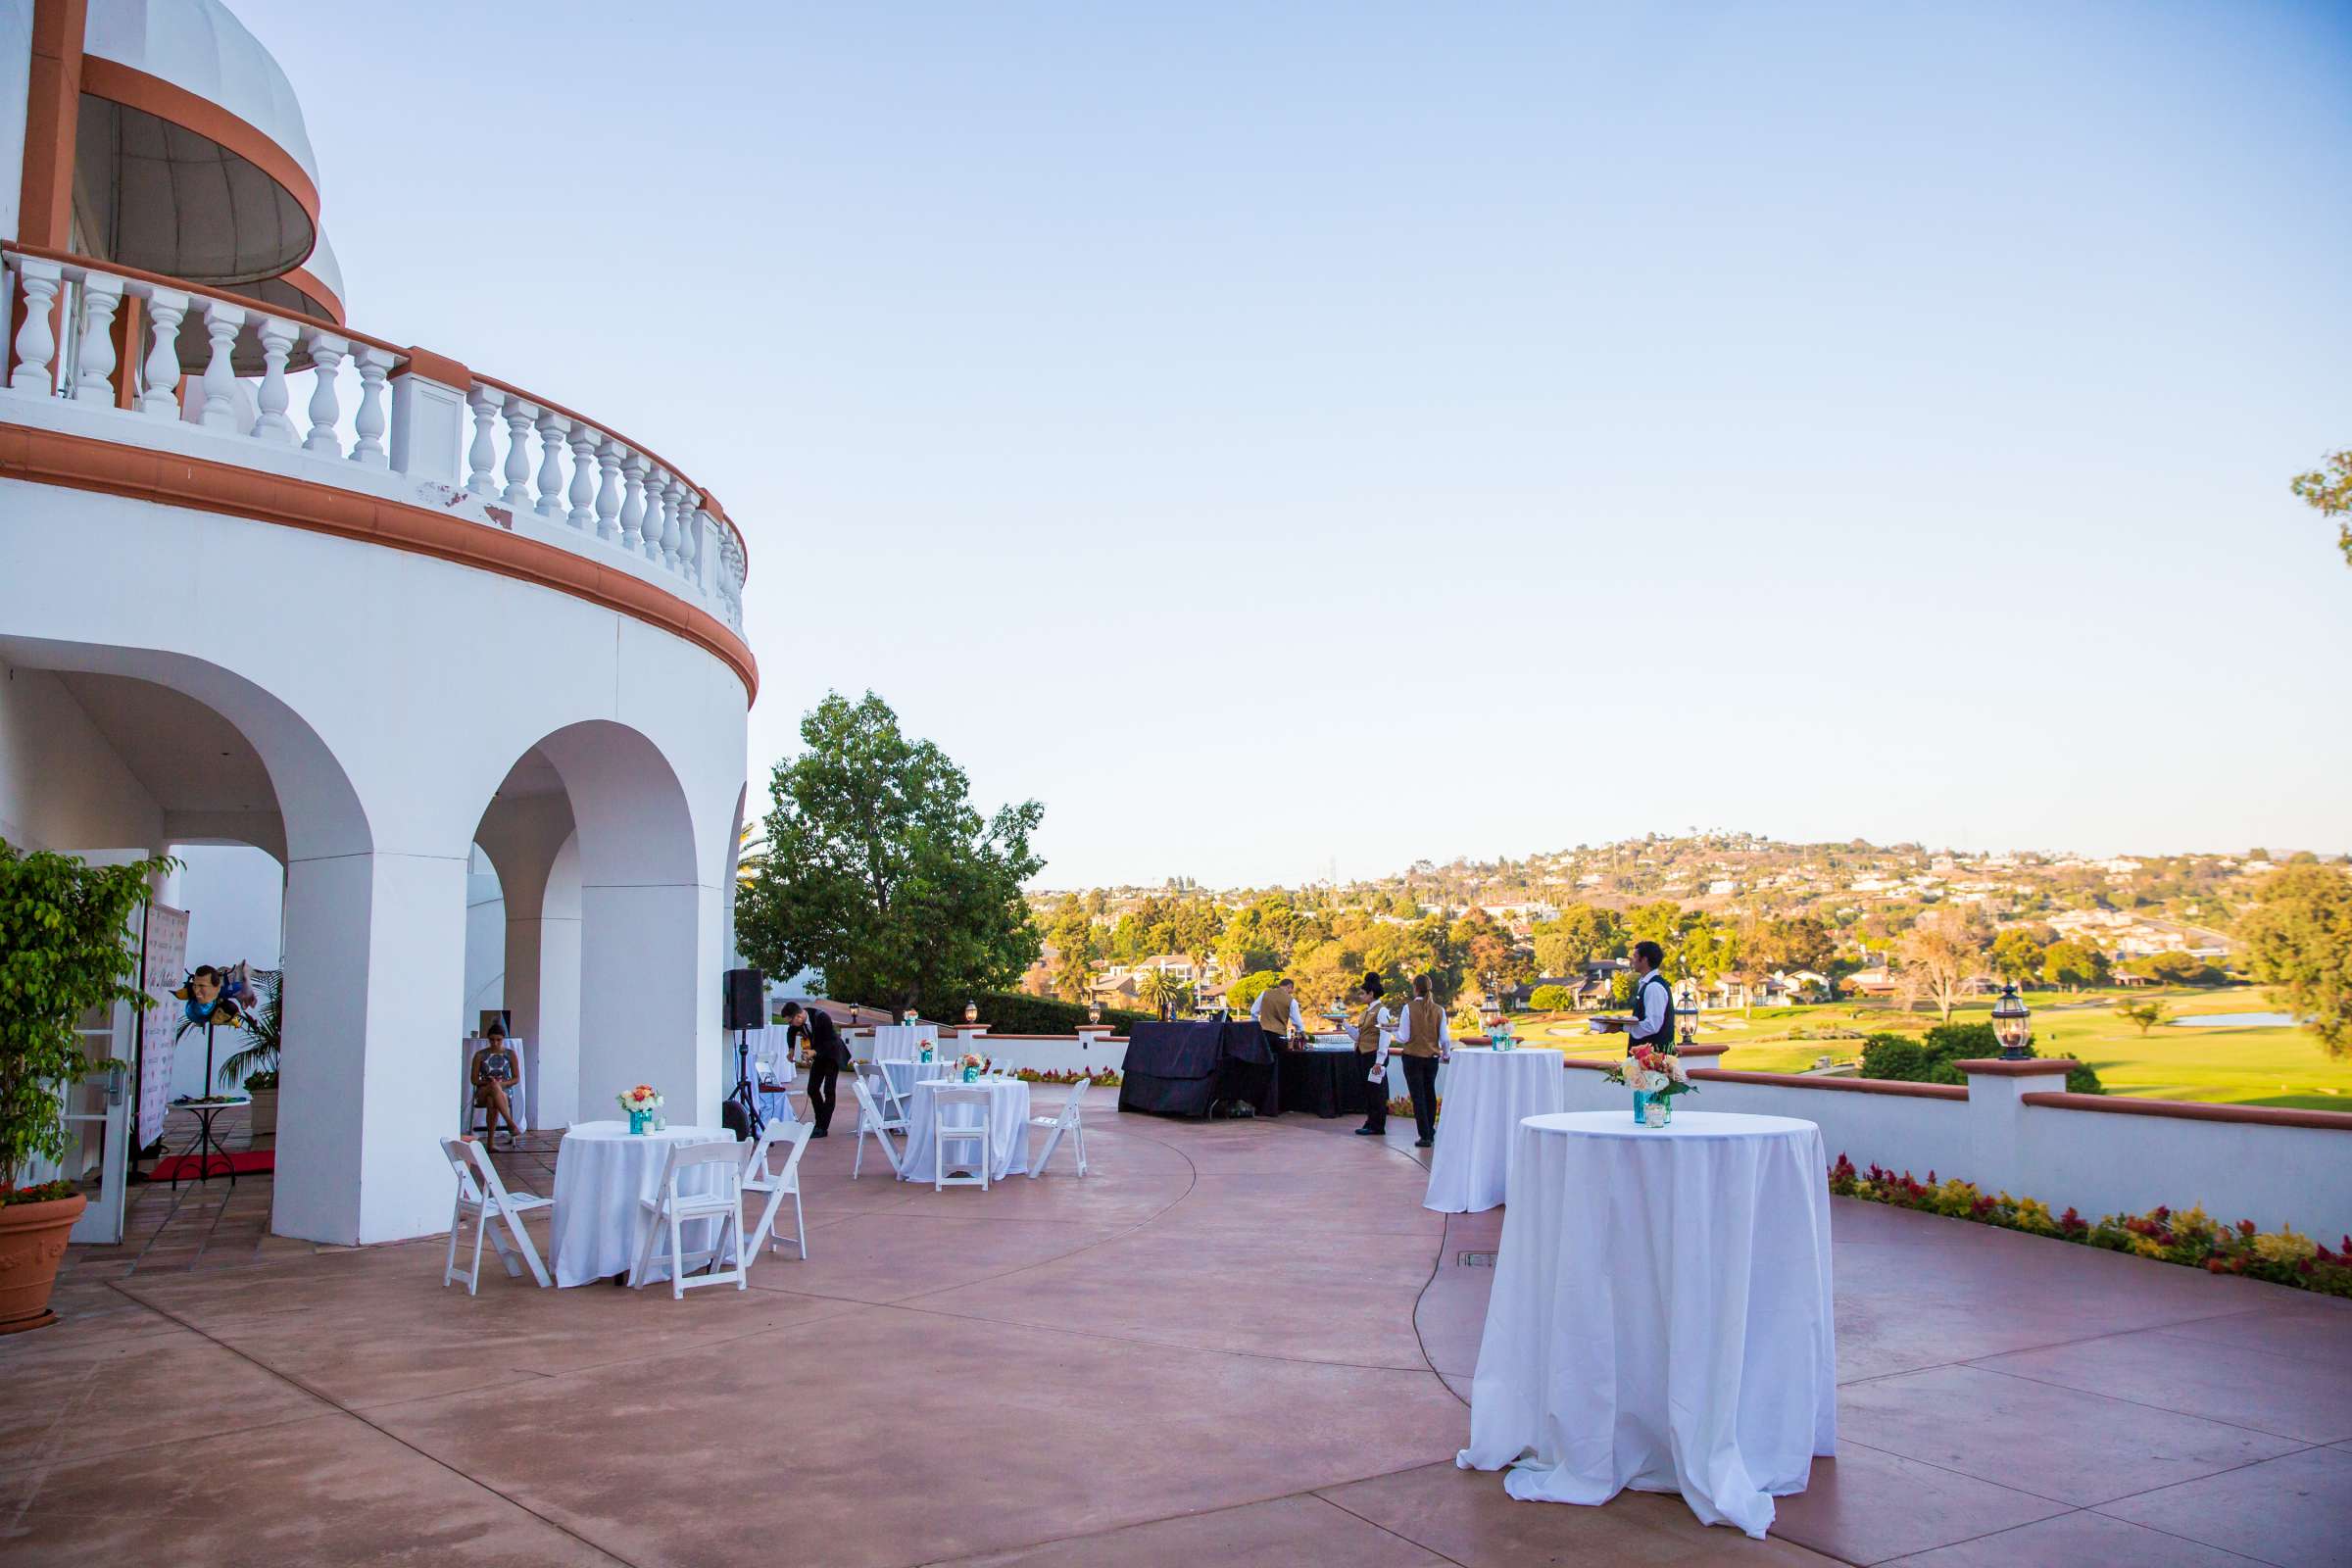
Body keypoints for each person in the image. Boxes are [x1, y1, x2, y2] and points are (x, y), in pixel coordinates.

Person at [1387, 973, 1450, 1148]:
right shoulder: (1439, 1010)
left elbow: (1404, 1037)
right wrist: (1446, 1054)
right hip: (1431, 1058)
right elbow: (1444, 1039)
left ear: (1415, 988)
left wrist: (1392, 1031)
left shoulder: (1409, 1008)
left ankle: (1425, 1135)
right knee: (1429, 1094)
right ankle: (1430, 1129)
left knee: (1418, 1096)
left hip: (1412, 1057)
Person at [1594, 939, 1677, 1056]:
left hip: (1652, 1062)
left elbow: (1652, 1025)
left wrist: (1622, 1027)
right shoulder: (1647, 984)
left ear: (1644, 959)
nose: (1631, 960)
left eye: (1634, 956)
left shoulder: (1653, 987)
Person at [780, 1002, 849, 1136]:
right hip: (819, 1055)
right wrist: (791, 1050)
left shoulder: (822, 1017)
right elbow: (791, 1032)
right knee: (812, 1089)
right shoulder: (796, 1023)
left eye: (791, 1021)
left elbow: (830, 1042)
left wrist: (814, 1052)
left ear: (799, 1016)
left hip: (832, 1054)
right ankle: (820, 1122)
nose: (791, 1025)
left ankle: (822, 1128)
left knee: (829, 1091)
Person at [1351, 972, 1396, 1137]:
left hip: (1373, 1056)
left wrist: (1379, 1060)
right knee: (1368, 1091)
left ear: (1371, 994)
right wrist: (1344, 1025)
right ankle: (1370, 1121)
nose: (1361, 996)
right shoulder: (1365, 1012)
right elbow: (1360, 1035)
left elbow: (1385, 1036)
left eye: (1363, 993)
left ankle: (1377, 1125)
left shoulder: (1382, 1010)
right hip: (1363, 1053)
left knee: (1377, 1091)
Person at [469, 1021, 521, 1146]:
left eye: (498, 1040)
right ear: (488, 1039)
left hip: (502, 1091)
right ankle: (510, 1123)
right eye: (492, 1040)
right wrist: (488, 1082)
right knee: (492, 1088)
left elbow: (516, 1078)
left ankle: (490, 1143)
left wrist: (500, 1085)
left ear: (503, 1039)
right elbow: (474, 1080)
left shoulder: (510, 1054)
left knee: (492, 1099)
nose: (495, 1043)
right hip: (483, 1090)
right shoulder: (480, 1055)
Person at [1252, 977, 1304, 1052]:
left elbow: (1253, 1012)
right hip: (1279, 1036)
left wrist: (1257, 1028)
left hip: (1263, 1034)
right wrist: (1302, 1033)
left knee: (1264, 1059)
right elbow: (1297, 1022)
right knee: (1279, 1059)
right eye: (1291, 991)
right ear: (1289, 987)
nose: (1291, 993)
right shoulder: (1292, 1001)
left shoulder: (1265, 993)